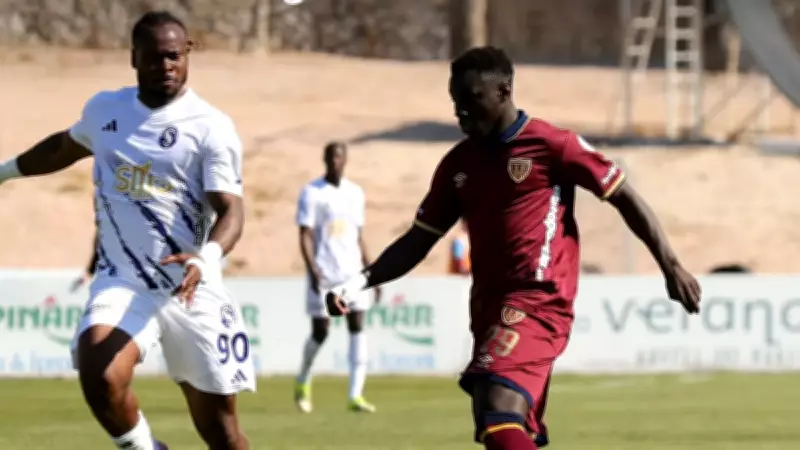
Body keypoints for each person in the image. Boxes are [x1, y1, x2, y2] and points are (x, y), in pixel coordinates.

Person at [324, 46, 702, 450]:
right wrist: (358, 283)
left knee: (496, 405)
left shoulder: (552, 145)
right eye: (455, 101)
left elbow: (622, 195)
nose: (460, 112)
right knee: (502, 426)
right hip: (488, 306)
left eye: (471, 99)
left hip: (538, 299)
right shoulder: (458, 165)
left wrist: (671, 265)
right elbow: (419, 240)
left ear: (503, 91)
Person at [0, 11, 254, 450]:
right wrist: (3, 172)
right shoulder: (105, 111)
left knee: (223, 435)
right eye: (154, 57)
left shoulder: (210, 126)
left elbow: (231, 210)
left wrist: (206, 258)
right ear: (134, 58)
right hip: (124, 281)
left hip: (191, 288)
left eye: (174, 56)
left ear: (187, 54)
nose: (166, 66)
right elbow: (62, 148)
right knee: (99, 371)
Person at [294, 141, 381, 413]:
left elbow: (358, 235)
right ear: (325, 159)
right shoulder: (312, 192)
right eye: (331, 157)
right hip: (324, 272)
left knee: (358, 325)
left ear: (345, 160)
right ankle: (303, 379)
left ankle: (356, 394)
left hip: (352, 272)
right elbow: (305, 234)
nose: (335, 162)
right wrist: (312, 268)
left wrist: (372, 271)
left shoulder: (355, 193)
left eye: (339, 157)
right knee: (321, 331)